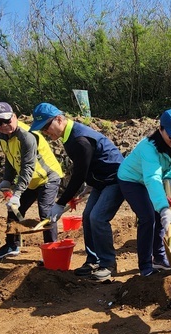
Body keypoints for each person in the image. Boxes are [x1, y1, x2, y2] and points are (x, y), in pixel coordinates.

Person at [30, 102, 124, 282]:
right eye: (42, 129)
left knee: (98, 217)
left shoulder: (79, 139)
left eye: (46, 127)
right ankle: (93, 260)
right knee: (88, 216)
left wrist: (60, 203)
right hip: (100, 181)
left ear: (59, 119)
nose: (45, 132)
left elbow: (79, 174)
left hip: (115, 179)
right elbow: (86, 165)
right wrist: (89, 185)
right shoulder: (69, 135)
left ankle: (108, 264)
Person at [0, 102, 63, 260]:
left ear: (14, 116)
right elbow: (11, 159)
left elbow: (27, 167)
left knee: (46, 213)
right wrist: (7, 180)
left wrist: (17, 194)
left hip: (47, 177)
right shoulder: (3, 137)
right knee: (14, 211)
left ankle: (52, 250)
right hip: (30, 180)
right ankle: (12, 245)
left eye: (7, 120)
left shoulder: (27, 136)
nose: (4, 126)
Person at [118, 109, 171, 277]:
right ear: (161, 130)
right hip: (132, 180)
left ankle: (159, 257)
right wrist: (164, 208)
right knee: (148, 217)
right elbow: (152, 178)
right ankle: (145, 265)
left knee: (158, 217)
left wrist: (170, 179)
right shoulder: (148, 148)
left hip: (153, 181)